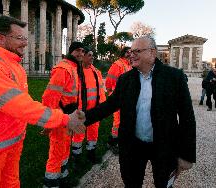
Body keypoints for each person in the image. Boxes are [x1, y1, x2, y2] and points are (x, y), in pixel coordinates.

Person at [0, 15, 85, 188]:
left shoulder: (13, 65)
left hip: (9, 147)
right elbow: (21, 107)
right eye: (20, 38)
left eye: (26, 38)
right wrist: (64, 119)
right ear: (0, 38)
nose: (25, 43)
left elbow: (23, 105)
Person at [84, 36, 196, 188]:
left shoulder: (174, 77)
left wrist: (186, 155)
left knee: (163, 184)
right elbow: (110, 105)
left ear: (152, 53)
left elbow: (187, 117)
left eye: (137, 51)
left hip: (164, 146)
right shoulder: (125, 79)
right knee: (131, 184)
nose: (131, 54)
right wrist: (83, 119)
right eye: (131, 51)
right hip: (133, 146)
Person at [42, 41, 87, 188]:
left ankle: (62, 176)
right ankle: (51, 182)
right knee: (57, 149)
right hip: (60, 116)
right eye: (77, 51)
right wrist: (50, 120)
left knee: (65, 147)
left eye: (82, 51)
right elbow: (50, 97)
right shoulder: (63, 68)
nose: (80, 54)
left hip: (69, 116)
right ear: (70, 52)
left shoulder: (74, 68)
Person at [71, 47, 106, 164]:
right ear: (83, 57)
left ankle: (91, 153)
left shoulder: (96, 72)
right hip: (80, 111)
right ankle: (76, 156)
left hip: (95, 110)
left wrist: (102, 107)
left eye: (92, 55)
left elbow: (101, 91)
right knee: (78, 134)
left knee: (93, 132)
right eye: (89, 55)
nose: (92, 57)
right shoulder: (76, 71)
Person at [105, 46, 132, 154]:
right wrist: (111, 93)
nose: (130, 54)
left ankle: (119, 140)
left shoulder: (129, 65)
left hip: (126, 98)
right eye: (128, 52)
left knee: (123, 120)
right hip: (117, 97)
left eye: (131, 52)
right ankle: (112, 142)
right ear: (123, 53)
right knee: (118, 121)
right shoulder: (118, 64)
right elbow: (109, 81)